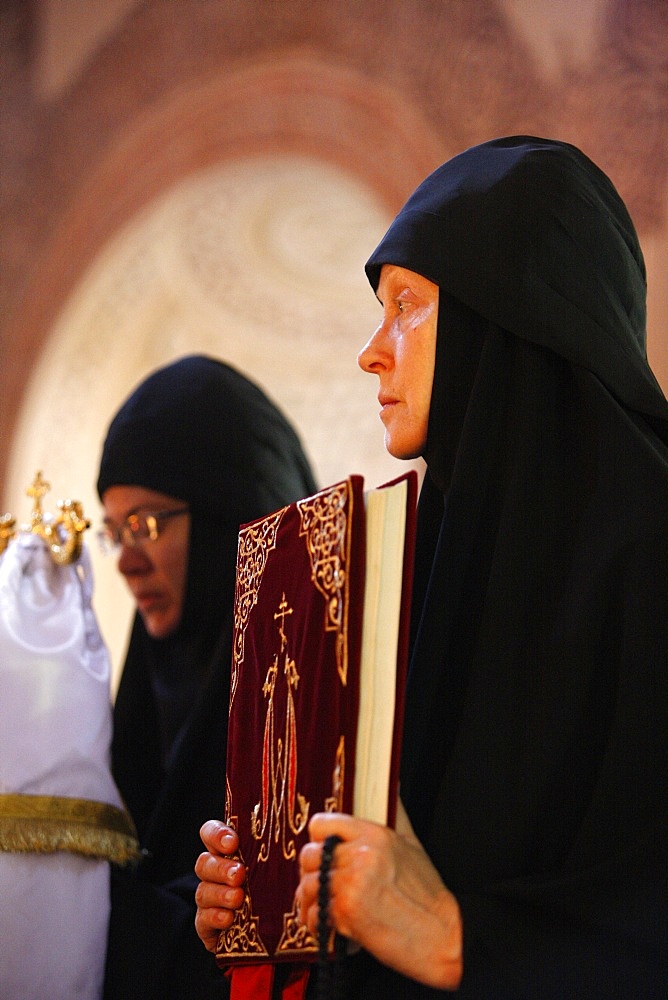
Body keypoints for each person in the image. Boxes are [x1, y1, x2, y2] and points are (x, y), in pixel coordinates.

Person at [194, 137, 668, 997]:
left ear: (511, 310)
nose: (372, 350)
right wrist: (279, 899)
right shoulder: (402, 564)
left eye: (407, 305)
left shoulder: (651, 544)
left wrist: (459, 940)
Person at [97, 354, 317, 1000]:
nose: (126, 563)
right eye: (114, 532)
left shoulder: (308, 694)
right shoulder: (144, 697)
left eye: (144, 525)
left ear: (230, 518)